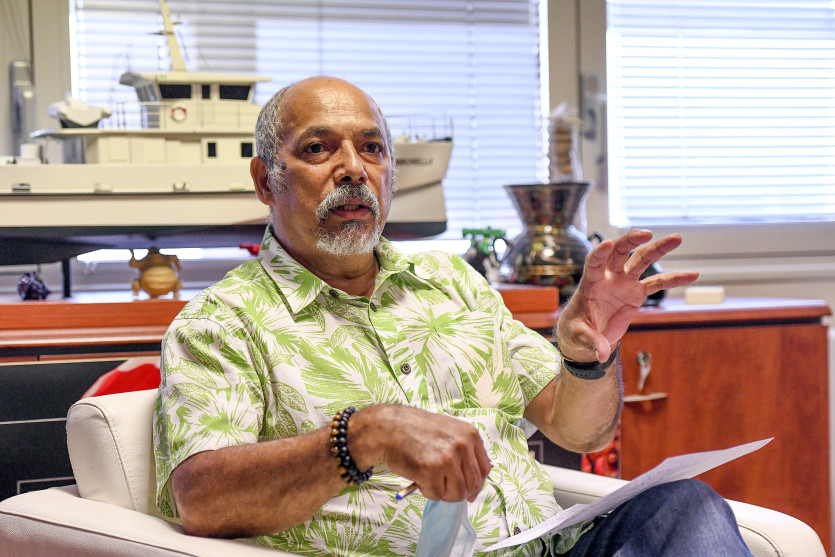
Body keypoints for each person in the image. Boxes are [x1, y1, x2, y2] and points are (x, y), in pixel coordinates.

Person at [153, 76, 752, 557]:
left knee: (685, 506)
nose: (354, 168)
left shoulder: (451, 281)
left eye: (372, 148)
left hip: (551, 546)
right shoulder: (222, 322)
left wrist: (585, 357)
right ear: (266, 180)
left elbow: (577, 430)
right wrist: (362, 436)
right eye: (318, 148)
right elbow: (201, 498)